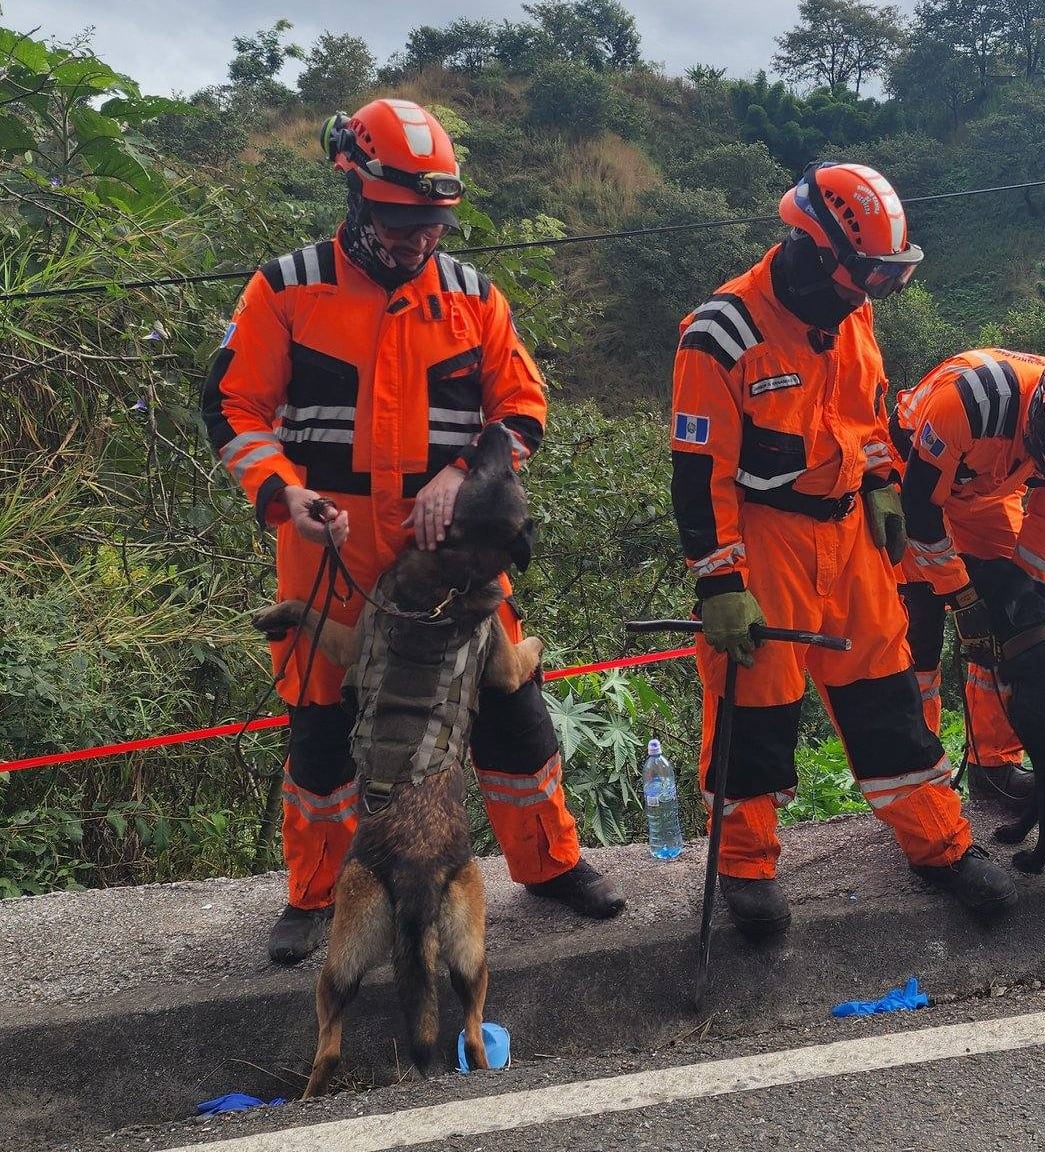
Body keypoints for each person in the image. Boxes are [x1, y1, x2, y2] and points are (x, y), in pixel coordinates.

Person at [202, 97, 622, 965]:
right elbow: (234, 406)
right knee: (325, 730)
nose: (417, 240)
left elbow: (523, 409)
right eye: (400, 222)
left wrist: (465, 473)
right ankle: (315, 894)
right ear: (354, 194)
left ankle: (548, 865)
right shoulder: (286, 289)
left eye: (432, 223)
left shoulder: (471, 297)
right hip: (334, 553)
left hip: (456, 561)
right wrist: (285, 493)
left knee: (511, 711)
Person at [668, 161, 1016, 939]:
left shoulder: (849, 310)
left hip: (850, 528)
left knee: (887, 692)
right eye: (868, 275)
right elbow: (699, 474)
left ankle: (941, 848)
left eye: (886, 280)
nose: (874, 293)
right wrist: (719, 580)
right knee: (754, 706)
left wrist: (886, 477)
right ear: (816, 247)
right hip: (765, 535)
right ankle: (747, 867)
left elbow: (867, 410)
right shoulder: (721, 333)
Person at [892, 348, 1045, 809]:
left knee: (1016, 627)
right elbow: (920, 512)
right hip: (909, 479)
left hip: (986, 492)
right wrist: (963, 597)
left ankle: (993, 765)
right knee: (916, 635)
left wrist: (1014, 604)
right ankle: (922, 781)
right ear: (1042, 427)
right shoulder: (968, 401)